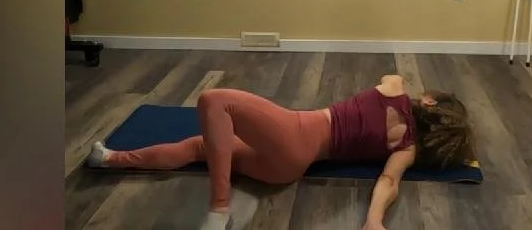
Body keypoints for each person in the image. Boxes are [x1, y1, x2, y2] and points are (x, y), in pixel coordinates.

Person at [87, 74, 473, 230]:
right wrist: (374, 222)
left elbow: (391, 83)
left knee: (214, 101)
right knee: (202, 147)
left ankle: (219, 210)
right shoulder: (406, 148)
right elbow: (389, 182)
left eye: (431, 98)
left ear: (431, 104)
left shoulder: (395, 86)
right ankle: (109, 159)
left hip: (295, 132)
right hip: (288, 168)